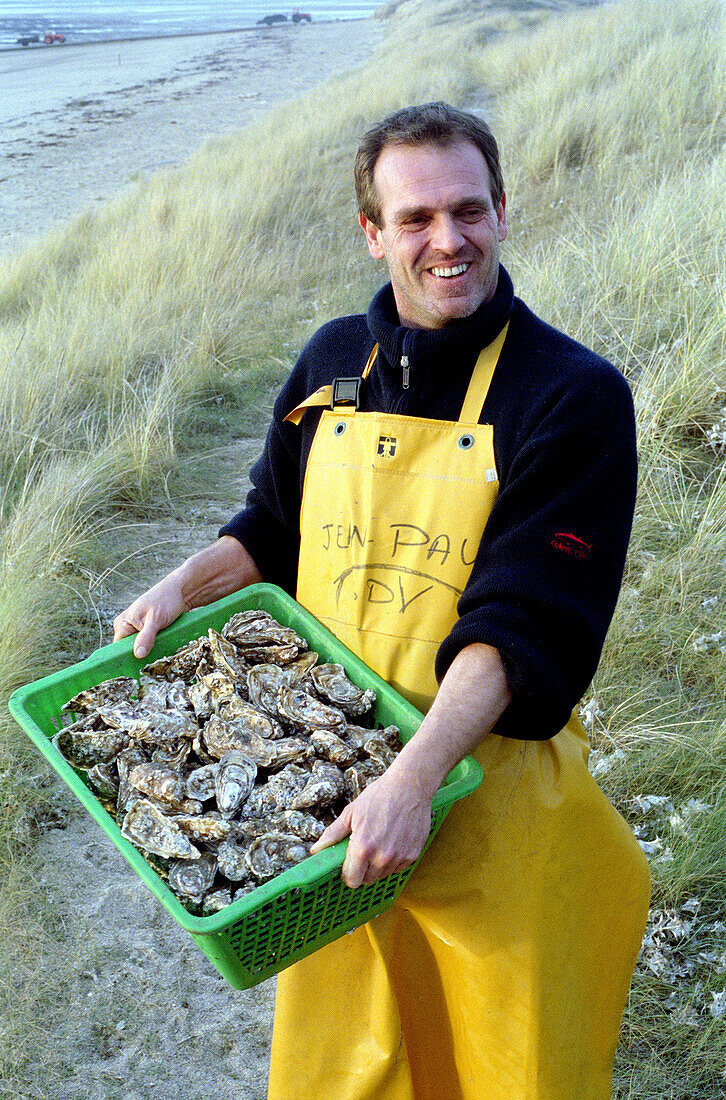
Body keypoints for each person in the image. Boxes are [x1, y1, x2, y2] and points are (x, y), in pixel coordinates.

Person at [114, 102, 650, 1099]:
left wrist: (414, 777)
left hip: (488, 809)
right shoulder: (332, 369)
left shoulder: (571, 394)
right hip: (333, 822)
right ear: (373, 231)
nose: (447, 239)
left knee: (511, 1070)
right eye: (415, 218)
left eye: (468, 209)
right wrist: (180, 587)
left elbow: (523, 619)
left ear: (502, 209)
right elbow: (270, 531)